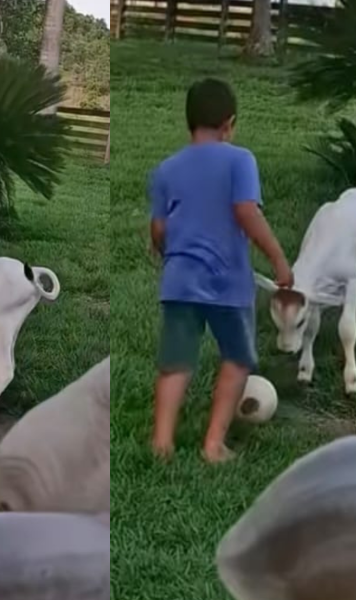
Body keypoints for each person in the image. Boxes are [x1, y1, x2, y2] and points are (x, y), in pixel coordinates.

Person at [148, 78, 293, 464]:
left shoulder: (166, 169)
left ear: (189, 123)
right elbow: (246, 211)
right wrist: (278, 258)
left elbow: (159, 230)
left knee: (175, 361)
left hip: (180, 281)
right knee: (237, 358)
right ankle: (213, 444)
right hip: (228, 282)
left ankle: (161, 443)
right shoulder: (240, 160)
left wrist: (170, 254)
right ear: (229, 123)